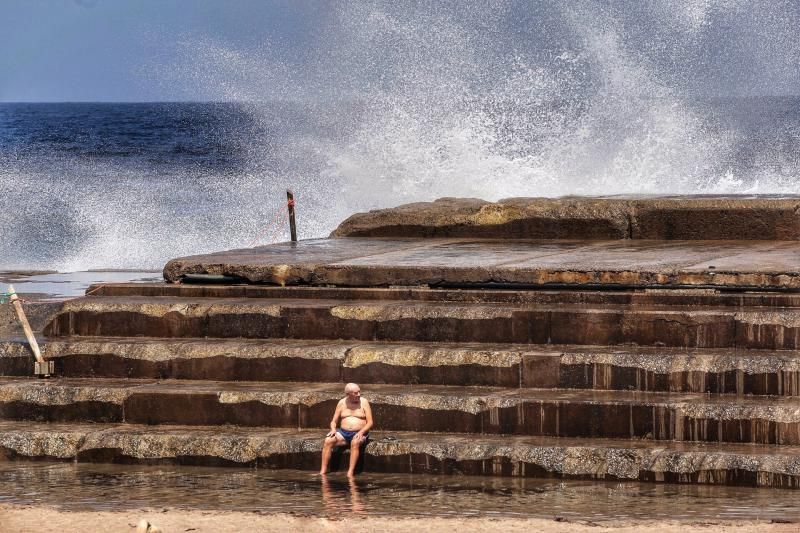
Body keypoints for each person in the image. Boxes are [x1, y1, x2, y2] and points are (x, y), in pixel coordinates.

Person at [319, 383, 373, 477]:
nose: (359, 394)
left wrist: (361, 432)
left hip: (360, 433)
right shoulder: (341, 402)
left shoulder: (364, 402)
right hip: (343, 433)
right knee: (328, 440)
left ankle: (350, 472)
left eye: (359, 392)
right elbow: (334, 421)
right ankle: (323, 471)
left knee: (355, 442)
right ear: (348, 394)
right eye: (356, 393)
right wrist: (333, 429)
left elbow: (370, 422)